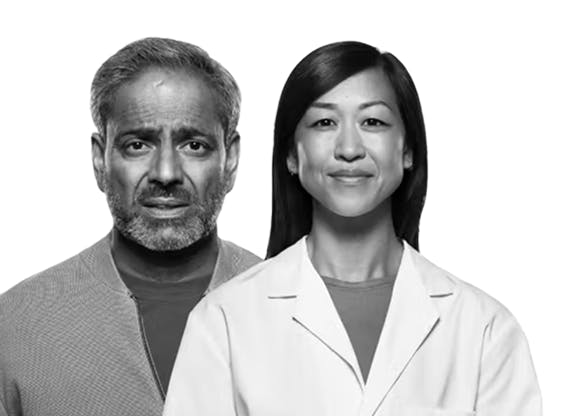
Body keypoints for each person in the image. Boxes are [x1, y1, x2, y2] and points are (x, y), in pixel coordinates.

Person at [163, 41, 541, 416]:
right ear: (292, 155)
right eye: (324, 122)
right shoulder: (224, 323)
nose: (348, 148)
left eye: (373, 122)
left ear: (407, 150)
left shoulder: (484, 330)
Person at [0, 37, 261, 416]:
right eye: (137, 145)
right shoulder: (11, 332)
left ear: (230, 161)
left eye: (194, 145)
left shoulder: (306, 315)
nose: (166, 173)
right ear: (100, 160)